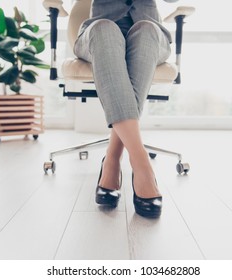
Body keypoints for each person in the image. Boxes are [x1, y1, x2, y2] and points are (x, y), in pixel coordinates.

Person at [73, 0, 178, 218]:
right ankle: (142, 165)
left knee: (146, 30)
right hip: (98, 30)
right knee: (105, 29)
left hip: (149, 31)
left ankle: (112, 158)